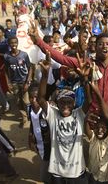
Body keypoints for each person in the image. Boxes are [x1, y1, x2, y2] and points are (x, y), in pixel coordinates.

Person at [36, 51, 90, 183]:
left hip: (76, 170)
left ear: (74, 103)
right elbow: (41, 99)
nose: (66, 105)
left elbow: (89, 100)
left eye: (69, 102)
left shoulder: (79, 114)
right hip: (57, 170)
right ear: (57, 103)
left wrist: (85, 79)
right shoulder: (53, 114)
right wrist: (44, 75)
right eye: (62, 102)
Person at [4, 37, 33, 127]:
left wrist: (28, 82)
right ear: (9, 44)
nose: (14, 45)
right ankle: (24, 118)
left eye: (15, 42)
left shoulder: (24, 55)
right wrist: (8, 83)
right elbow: (6, 70)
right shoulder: (6, 56)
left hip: (24, 81)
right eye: (11, 43)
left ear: (18, 43)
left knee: (26, 101)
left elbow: (30, 68)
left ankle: (31, 116)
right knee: (18, 101)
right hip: (14, 82)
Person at [27, 82, 51, 184]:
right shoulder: (29, 109)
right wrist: (30, 138)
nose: (34, 100)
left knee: (43, 177)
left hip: (48, 145)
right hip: (38, 143)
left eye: (36, 97)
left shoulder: (47, 111)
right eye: (31, 97)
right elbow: (32, 123)